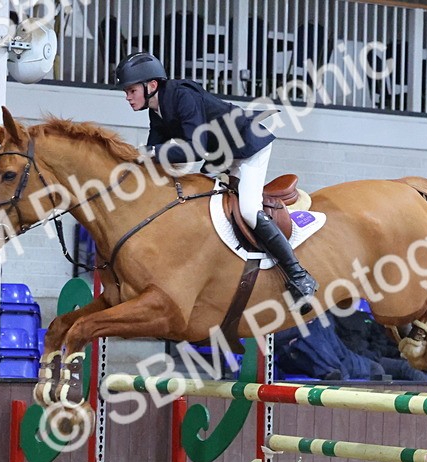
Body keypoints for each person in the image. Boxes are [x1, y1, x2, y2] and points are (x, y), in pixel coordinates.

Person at [114, 51, 317, 304]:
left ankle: (299, 275)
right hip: (221, 153)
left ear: (151, 85)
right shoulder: (156, 110)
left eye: (131, 90)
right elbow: (155, 156)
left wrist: (150, 153)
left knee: (249, 209)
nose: (127, 96)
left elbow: (193, 150)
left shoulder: (182, 96)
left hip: (248, 146)